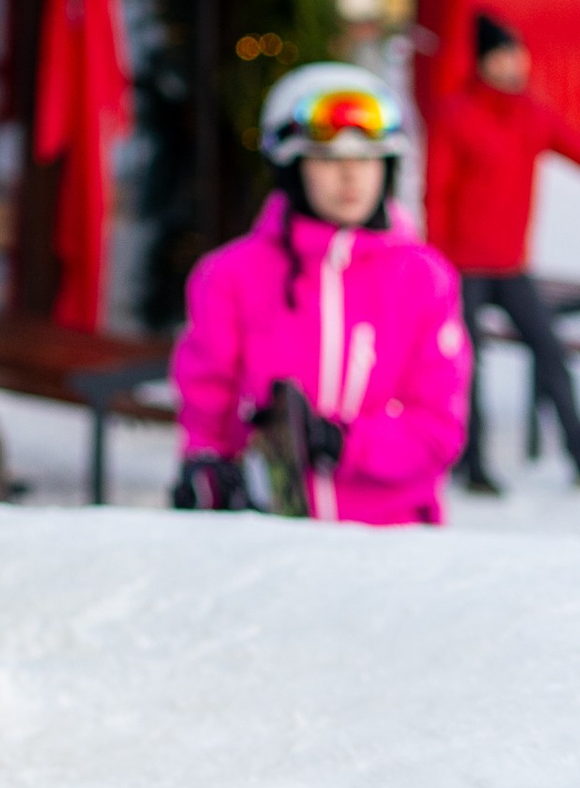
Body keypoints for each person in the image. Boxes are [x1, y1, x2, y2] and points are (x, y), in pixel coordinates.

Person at [171, 62, 470, 522]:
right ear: (292, 168)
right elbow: (207, 405)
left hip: (392, 538)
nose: (351, 177)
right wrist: (207, 467)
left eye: (366, 159)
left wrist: (344, 444)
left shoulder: (425, 279)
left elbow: (438, 430)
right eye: (328, 160)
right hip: (272, 535)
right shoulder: (229, 276)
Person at [428, 10, 580, 493]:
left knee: (551, 352)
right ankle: (473, 464)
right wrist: (437, 264)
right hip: (462, 267)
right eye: (501, 57)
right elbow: (436, 194)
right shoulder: (456, 114)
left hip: (511, 266)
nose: (512, 65)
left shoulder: (532, 114)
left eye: (517, 55)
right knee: (466, 367)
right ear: (483, 63)